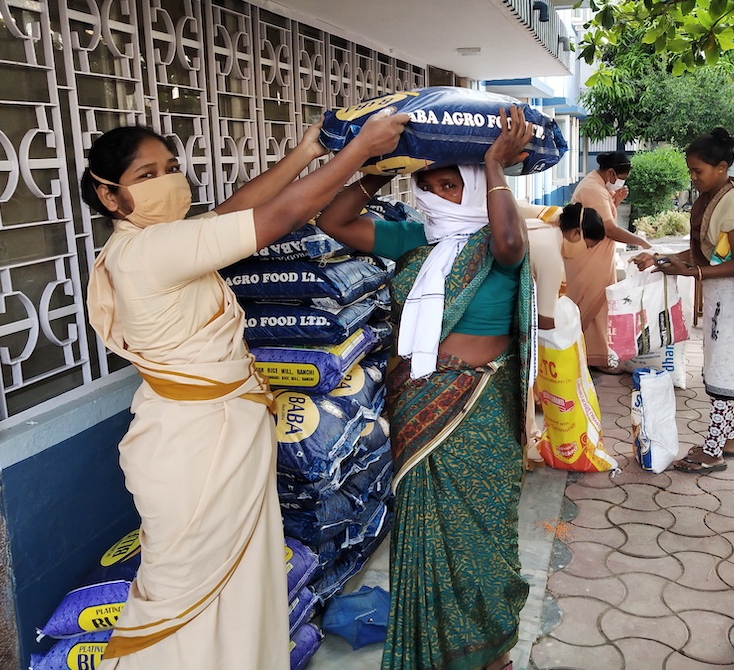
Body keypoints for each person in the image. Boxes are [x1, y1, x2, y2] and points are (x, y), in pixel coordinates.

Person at [80, 109, 409, 669]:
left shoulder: (163, 241)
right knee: (186, 594)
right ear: (110, 196)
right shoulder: (147, 253)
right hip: (193, 449)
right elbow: (278, 217)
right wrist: (357, 155)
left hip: (215, 435)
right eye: (146, 175)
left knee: (235, 588)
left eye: (172, 167)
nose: (167, 181)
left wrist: (309, 152)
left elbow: (237, 212)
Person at [315, 106, 534, 670]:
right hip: (416, 404)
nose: (436, 194)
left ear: (481, 187)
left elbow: (511, 242)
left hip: (478, 407)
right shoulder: (415, 237)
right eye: (428, 184)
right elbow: (334, 222)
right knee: (424, 533)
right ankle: (433, 652)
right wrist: (377, 169)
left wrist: (495, 162)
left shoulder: (498, 241)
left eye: (450, 184)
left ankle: (489, 651)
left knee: (481, 537)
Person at [633, 128, 734, 473]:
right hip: (721, 297)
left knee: (723, 373)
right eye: (691, 171)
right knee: (719, 367)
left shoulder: (732, 200)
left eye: (698, 171)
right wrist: (660, 258)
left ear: (722, 167)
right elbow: (705, 253)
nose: (693, 178)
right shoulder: (717, 195)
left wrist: (688, 273)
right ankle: (728, 439)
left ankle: (712, 451)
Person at [517, 202, 606, 467]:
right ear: (576, 233)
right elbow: (544, 321)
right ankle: (527, 442)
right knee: (524, 380)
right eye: (588, 247)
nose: (583, 254)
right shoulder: (552, 257)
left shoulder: (547, 225)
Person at [566, 152, 651, 374]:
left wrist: (615, 200)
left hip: (597, 257)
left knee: (601, 307)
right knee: (590, 304)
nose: (622, 181)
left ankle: (595, 355)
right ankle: (589, 356)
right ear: (611, 172)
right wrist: (641, 242)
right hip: (587, 258)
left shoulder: (599, 186)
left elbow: (601, 217)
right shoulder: (593, 188)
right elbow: (608, 228)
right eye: (621, 176)